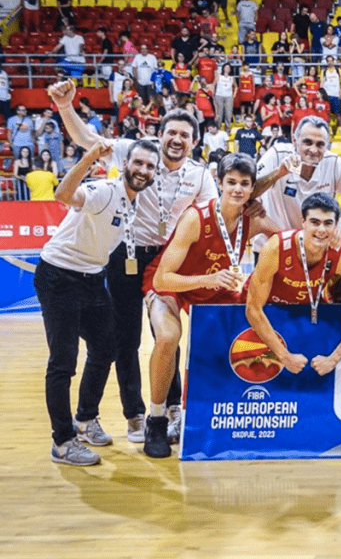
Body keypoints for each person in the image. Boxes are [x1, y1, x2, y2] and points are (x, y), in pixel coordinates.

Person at [50, 81, 218, 444]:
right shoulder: (134, 151)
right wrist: (66, 107)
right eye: (171, 132)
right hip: (124, 254)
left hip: (167, 262)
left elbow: (213, 217)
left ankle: (173, 406)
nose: (176, 139)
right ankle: (135, 415)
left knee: (166, 335)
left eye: (184, 135)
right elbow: (87, 139)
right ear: (159, 135)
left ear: (194, 143)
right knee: (125, 340)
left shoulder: (202, 176)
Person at [140, 154, 277, 457]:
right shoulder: (195, 217)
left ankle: (215, 413)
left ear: (252, 189)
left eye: (244, 184)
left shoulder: (251, 218)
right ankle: (158, 419)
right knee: (167, 337)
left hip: (215, 286)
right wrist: (210, 278)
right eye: (231, 183)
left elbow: (285, 239)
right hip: (175, 285)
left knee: (248, 328)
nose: (237, 189)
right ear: (219, 183)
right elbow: (164, 279)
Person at [35, 138, 158, 466]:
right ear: (126, 164)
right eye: (138, 163)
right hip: (59, 276)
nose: (143, 170)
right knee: (63, 362)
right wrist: (89, 157)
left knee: (107, 349)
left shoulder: (132, 202)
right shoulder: (105, 191)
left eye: (149, 166)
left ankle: (86, 420)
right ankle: (62, 442)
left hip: (91, 278)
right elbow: (62, 195)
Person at [245, 192, 341, 375]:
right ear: (303, 222)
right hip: (265, 312)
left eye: (328, 223)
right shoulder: (276, 248)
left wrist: (334, 358)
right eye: (315, 222)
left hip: (304, 309)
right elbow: (253, 309)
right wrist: (284, 356)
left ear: (336, 226)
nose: (321, 230)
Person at [253, 115, 341, 243]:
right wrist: (278, 173)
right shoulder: (277, 154)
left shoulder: (334, 163)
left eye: (320, 145)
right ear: (295, 140)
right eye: (308, 142)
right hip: (273, 246)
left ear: (327, 146)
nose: (313, 150)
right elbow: (251, 190)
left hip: (313, 248)